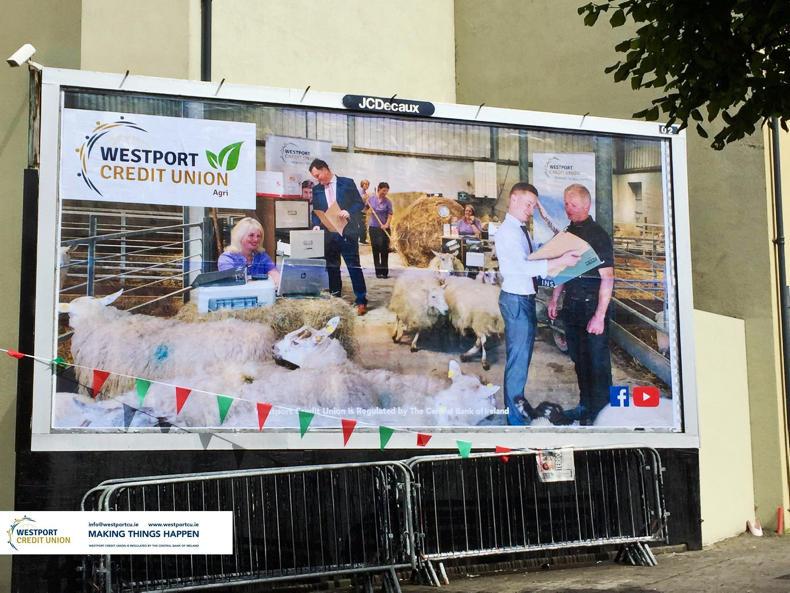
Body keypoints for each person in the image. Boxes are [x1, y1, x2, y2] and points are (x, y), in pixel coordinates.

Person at [496, 182, 580, 426]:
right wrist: (559, 262)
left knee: (521, 361)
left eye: (533, 206)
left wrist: (557, 253)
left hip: (523, 298)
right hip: (516, 300)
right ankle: (515, 420)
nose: (530, 210)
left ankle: (516, 409)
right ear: (513, 199)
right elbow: (521, 267)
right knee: (518, 364)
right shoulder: (508, 232)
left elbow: (533, 257)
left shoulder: (520, 230)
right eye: (527, 204)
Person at [548, 183, 614, 425]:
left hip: (592, 308)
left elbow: (608, 278)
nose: (568, 209)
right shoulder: (568, 233)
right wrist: (555, 298)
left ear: (587, 205)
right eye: (566, 204)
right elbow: (563, 270)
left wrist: (599, 316)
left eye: (573, 205)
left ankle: (603, 415)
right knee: (579, 360)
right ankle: (586, 406)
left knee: (597, 364)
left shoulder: (598, 236)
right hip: (572, 308)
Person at [309, 158, 368, 315]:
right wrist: (316, 224)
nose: (317, 179)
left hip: (347, 232)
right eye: (315, 177)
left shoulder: (347, 183)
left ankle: (361, 301)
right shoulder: (317, 189)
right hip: (329, 234)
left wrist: (349, 211)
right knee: (332, 268)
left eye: (318, 175)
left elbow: (359, 203)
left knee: (353, 267)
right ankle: (335, 299)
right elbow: (316, 211)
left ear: (325, 169)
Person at [217, 217, 281, 286]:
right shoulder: (227, 258)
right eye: (251, 235)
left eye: (258, 236)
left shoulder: (262, 256)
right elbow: (232, 282)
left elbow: (275, 275)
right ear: (240, 236)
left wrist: (277, 282)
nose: (256, 239)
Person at [367, 181, 394, 278]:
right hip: (373, 228)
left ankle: (384, 272)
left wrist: (386, 224)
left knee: (384, 250)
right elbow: (364, 209)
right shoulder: (371, 199)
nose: (385, 193)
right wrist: (365, 204)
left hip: (384, 229)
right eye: (383, 190)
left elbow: (390, 214)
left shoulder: (388, 202)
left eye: (386, 191)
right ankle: (378, 272)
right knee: (375, 250)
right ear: (379, 189)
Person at [359, 179, 372, 244]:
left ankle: (362, 239)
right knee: (362, 226)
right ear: (362, 184)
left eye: (368, 184)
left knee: (363, 225)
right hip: (359, 211)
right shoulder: (360, 192)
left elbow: (367, 205)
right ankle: (362, 240)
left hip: (363, 211)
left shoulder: (366, 194)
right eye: (365, 184)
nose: (367, 186)